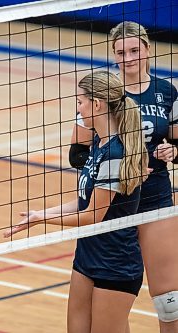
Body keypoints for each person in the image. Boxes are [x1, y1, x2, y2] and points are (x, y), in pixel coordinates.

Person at [6, 71, 149, 333]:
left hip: (115, 264)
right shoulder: (99, 146)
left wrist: (45, 219)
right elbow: (84, 202)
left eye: (80, 102)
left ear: (97, 104)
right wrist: (40, 213)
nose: (78, 108)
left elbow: (93, 215)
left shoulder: (115, 153)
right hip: (87, 256)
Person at [69, 21, 178, 332]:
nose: (128, 58)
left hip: (155, 198)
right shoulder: (103, 93)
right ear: (114, 55)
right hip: (113, 203)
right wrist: (116, 167)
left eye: (134, 50)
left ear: (147, 49)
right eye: (121, 52)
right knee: (110, 294)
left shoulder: (166, 92)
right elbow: (76, 154)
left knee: (169, 302)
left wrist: (171, 152)